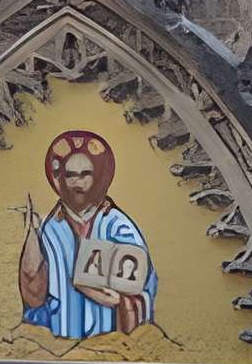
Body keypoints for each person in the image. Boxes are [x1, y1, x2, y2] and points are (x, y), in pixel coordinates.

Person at [16, 128, 157, 341]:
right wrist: (33, 232)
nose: (77, 183)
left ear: (99, 176)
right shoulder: (50, 228)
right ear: (59, 179)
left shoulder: (116, 225)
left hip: (110, 347)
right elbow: (34, 296)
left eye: (85, 175)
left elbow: (139, 286)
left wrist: (115, 298)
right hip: (60, 342)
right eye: (70, 175)